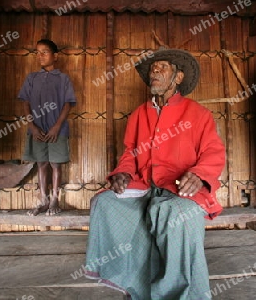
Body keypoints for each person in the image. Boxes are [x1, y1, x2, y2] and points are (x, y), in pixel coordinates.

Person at [84, 47, 225, 299]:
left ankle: (178, 293)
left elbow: (214, 152)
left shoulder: (198, 114)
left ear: (178, 78)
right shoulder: (139, 114)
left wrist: (199, 174)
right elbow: (130, 152)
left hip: (180, 190)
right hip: (145, 187)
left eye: (163, 67)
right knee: (105, 202)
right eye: (153, 68)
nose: (155, 71)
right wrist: (124, 172)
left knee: (175, 213)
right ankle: (134, 281)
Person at [18, 39, 77, 216]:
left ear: (55, 56)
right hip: (37, 128)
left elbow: (68, 103)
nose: (40, 56)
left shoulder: (63, 78)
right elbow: (25, 103)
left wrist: (57, 127)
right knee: (41, 164)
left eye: (45, 52)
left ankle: (54, 200)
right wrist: (32, 126)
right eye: (38, 52)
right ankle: (43, 200)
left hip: (56, 129)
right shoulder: (32, 78)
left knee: (55, 164)